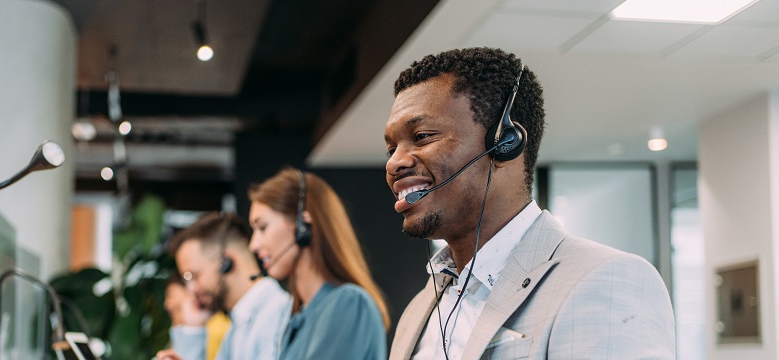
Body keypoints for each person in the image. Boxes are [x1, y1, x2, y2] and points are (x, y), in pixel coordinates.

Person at [384, 47, 675, 359]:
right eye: (391, 148)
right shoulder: (421, 308)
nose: (394, 163)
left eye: (423, 136)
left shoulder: (606, 279)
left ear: (505, 144)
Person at [247, 167, 389, 360]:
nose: (253, 245)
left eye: (262, 227)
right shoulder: (300, 316)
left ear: (302, 225)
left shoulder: (349, 303)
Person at [155, 212, 291, 360]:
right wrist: (193, 328)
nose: (191, 289)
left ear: (226, 262)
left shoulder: (275, 314)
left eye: (194, 276)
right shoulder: (237, 326)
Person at [163, 276, 231, 360]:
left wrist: (194, 328)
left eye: (170, 295)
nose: (167, 305)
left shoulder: (218, 328)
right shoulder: (181, 332)